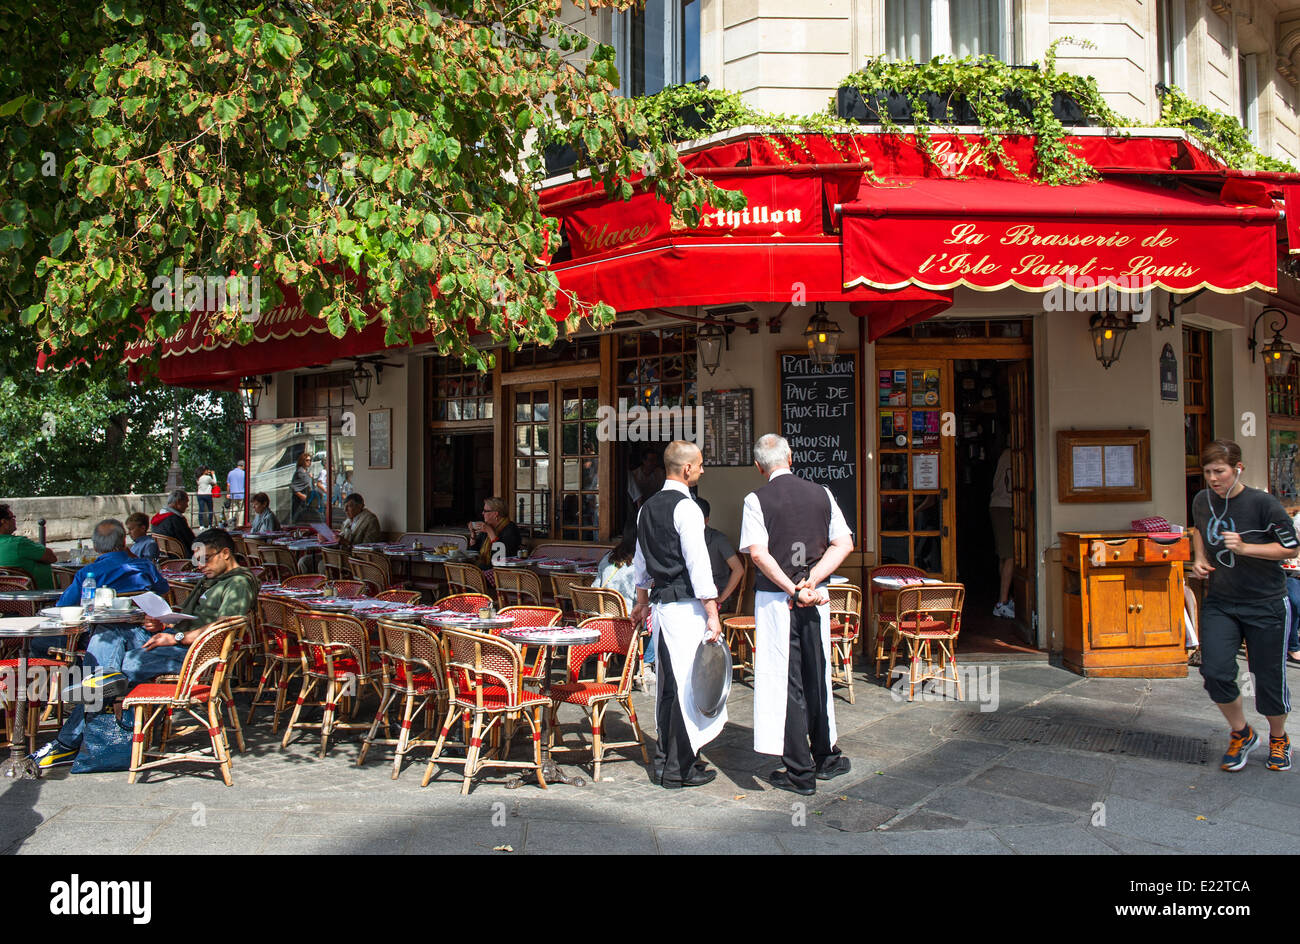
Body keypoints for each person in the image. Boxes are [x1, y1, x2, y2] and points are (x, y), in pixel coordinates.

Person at [740, 433, 854, 796]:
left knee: (784, 680)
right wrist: (811, 581)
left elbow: (758, 553)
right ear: (790, 457)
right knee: (816, 672)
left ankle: (800, 771)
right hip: (815, 597)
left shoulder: (755, 499)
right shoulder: (822, 492)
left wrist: (793, 588)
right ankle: (825, 756)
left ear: (759, 466)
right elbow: (844, 543)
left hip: (778, 600)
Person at [26, 520, 179, 768]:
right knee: (109, 641)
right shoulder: (143, 566)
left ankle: (69, 736)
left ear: (96, 548)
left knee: (71, 643)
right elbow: (163, 588)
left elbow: (64, 607)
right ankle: (101, 681)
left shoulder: (89, 573)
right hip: (141, 636)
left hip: (108, 639)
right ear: (124, 542)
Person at [1190, 439, 1294, 773]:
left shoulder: (1263, 504)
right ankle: (1242, 733)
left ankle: (1278, 738)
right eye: (1207, 472)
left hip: (1266, 602)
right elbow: (1197, 530)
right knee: (1215, 672)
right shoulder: (1203, 500)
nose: (1213, 479)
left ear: (1238, 468)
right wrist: (1200, 557)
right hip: (1221, 601)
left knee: (1267, 677)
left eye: (1219, 471)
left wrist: (1247, 548)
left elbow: (1290, 548)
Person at [629, 439, 725, 789]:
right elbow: (699, 568)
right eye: (699, 464)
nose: (702, 469)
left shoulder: (646, 509)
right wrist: (713, 613)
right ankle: (681, 768)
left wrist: (641, 603)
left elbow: (641, 565)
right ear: (686, 469)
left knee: (669, 685)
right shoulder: (689, 509)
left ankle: (665, 763)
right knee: (689, 684)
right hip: (686, 607)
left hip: (661, 606)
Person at [120, 529, 260, 687]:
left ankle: (105, 704)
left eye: (205, 559)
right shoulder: (210, 580)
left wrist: (175, 638)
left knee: (127, 663)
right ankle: (110, 705)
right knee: (116, 640)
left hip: (198, 654)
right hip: (180, 641)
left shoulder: (238, 584)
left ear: (225, 553)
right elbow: (192, 617)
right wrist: (164, 624)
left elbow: (223, 628)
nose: (200, 566)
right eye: (197, 560)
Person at [696, 497, 745, 614]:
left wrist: (722, 597)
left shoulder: (718, 539)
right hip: (692, 596)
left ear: (706, 520)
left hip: (715, 596)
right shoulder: (683, 538)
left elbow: (738, 569)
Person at [0, 503, 57, 589]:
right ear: (4, 522)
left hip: (5, 598)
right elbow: (52, 557)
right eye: (13, 517)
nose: (14, 520)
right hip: (35, 597)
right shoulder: (19, 543)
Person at [989, 447, 1015, 619]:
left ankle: (1004, 598)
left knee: (1004, 556)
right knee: (1011, 555)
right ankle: (1002, 602)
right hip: (1005, 505)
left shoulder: (1003, 454)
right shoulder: (1013, 454)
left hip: (998, 504)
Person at [469, 497, 521, 566]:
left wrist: (490, 532)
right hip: (485, 567)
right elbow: (473, 552)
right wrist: (473, 535)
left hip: (501, 571)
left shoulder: (510, 529)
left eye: (485, 511)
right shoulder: (487, 527)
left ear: (495, 514)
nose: (482, 513)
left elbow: (499, 558)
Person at [290, 451, 315, 522]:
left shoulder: (306, 472)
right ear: (302, 461)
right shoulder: (300, 472)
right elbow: (293, 487)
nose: (309, 462)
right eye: (307, 460)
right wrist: (302, 496)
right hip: (299, 503)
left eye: (310, 460)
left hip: (306, 503)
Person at [226, 460, 246, 524]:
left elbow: (228, 485)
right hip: (242, 494)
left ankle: (230, 522)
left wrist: (228, 493)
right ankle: (240, 524)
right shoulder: (244, 473)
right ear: (242, 466)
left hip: (233, 495)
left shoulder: (230, 473)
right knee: (241, 510)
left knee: (233, 508)